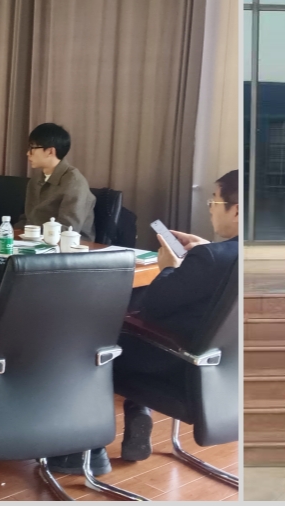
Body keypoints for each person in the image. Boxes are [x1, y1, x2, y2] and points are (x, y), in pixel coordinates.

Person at [115, 170, 239, 464]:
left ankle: (82, 454)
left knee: (98, 343)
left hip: (176, 362)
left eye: (214, 202)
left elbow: (154, 307)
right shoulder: (228, 255)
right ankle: (138, 411)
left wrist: (167, 267)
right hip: (221, 368)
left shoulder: (210, 258)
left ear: (236, 211)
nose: (210, 208)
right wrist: (205, 250)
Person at [22, 123, 94, 236]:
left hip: (69, 247)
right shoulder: (35, 181)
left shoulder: (74, 182)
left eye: (33, 148)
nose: (28, 153)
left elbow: (69, 229)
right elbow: (27, 220)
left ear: (50, 151)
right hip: (34, 243)